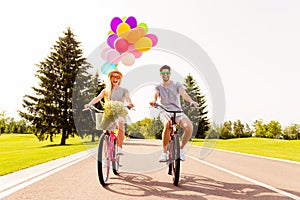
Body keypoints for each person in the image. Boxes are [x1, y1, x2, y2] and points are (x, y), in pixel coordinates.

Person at [149, 65, 199, 162]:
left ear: (170, 74)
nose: (165, 75)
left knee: (189, 127)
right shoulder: (158, 87)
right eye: (163, 73)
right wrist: (153, 100)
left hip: (178, 111)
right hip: (165, 111)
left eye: (167, 73)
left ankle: (181, 149)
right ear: (161, 75)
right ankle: (164, 153)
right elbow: (155, 95)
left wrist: (191, 101)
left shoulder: (177, 85)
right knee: (167, 124)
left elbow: (183, 93)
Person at [85, 69, 134, 155]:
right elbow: (98, 98)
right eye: (113, 76)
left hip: (119, 112)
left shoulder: (124, 90)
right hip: (108, 112)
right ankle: (105, 156)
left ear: (120, 79)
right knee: (105, 132)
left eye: (118, 77)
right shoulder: (106, 90)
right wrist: (89, 104)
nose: (115, 78)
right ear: (110, 78)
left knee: (121, 122)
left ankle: (119, 147)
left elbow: (127, 98)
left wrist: (130, 103)